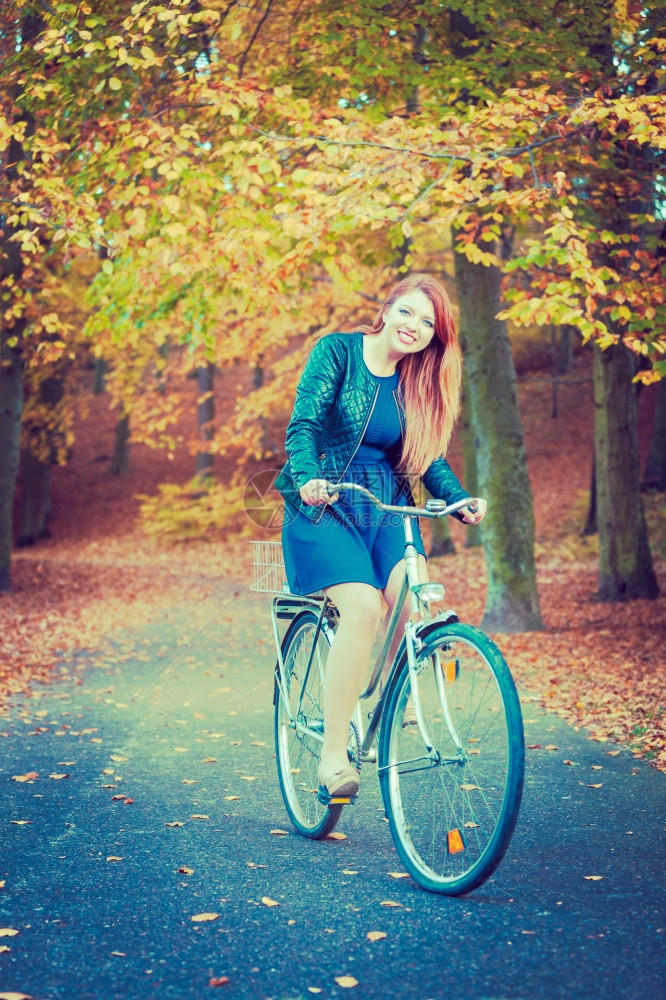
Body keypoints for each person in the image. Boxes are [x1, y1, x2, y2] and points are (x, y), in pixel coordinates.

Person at [273, 273, 486, 800]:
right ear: (388, 309)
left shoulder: (416, 384)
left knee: (414, 606)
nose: (414, 327)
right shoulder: (338, 353)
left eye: (428, 324)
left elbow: (427, 457)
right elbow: (303, 424)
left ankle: (381, 713)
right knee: (365, 609)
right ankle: (332, 759)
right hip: (323, 498)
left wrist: (458, 499)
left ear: (435, 338)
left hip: (385, 505)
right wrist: (307, 478)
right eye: (408, 313)